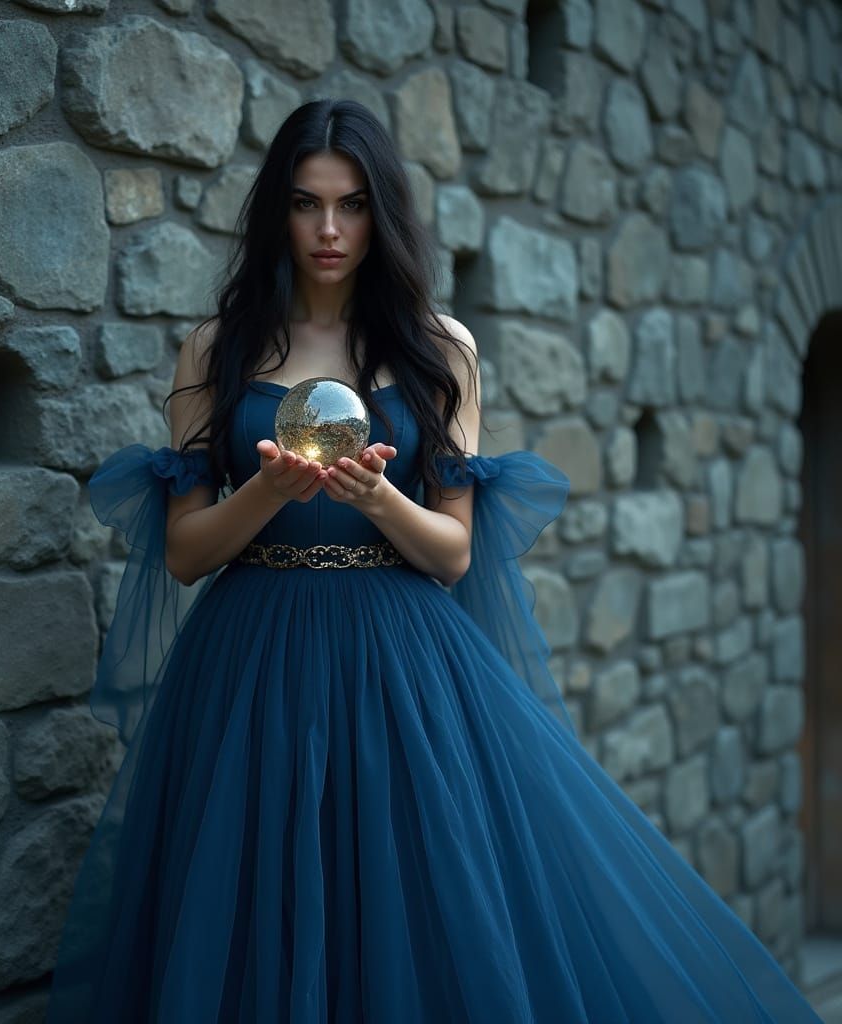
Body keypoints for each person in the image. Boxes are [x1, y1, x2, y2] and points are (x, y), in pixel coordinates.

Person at [46, 99, 823, 1023]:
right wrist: (268, 492)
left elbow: (453, 553)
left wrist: (378, 499)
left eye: (354, 204)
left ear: (385, 214)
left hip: (400, 664)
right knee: (254, 905)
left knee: (410, 908)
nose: (329, 230)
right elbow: (182, 555)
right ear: (275, 214)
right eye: (305, 204)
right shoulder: (217, 350)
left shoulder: (439, 348)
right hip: (251, 661)